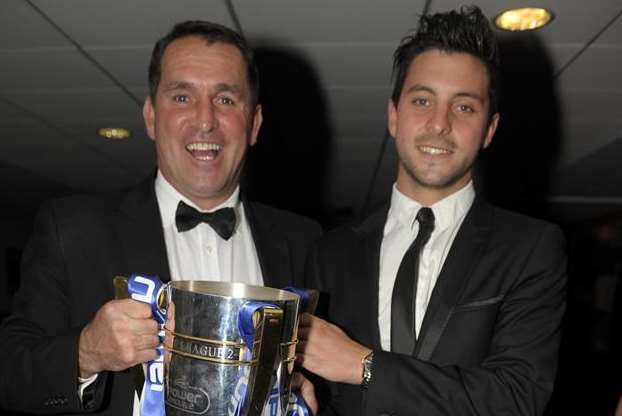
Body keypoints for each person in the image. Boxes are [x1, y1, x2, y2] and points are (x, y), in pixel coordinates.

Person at [0, 20, 321, 415]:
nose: (205, 120)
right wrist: (86, 352)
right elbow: (11, 371)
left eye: (225, 99)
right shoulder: (71, 229)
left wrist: (305, 390)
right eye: (182, 97)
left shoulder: (304, 242)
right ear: (151, 117)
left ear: (253, 123)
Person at [297, 6, 566, 416]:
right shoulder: (329, 252)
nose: (439, 123)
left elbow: (517, 397)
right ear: (393, 115)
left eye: (464, 107)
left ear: (489, 129)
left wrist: (365, 365)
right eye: (422, 100)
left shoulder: (531, 248)